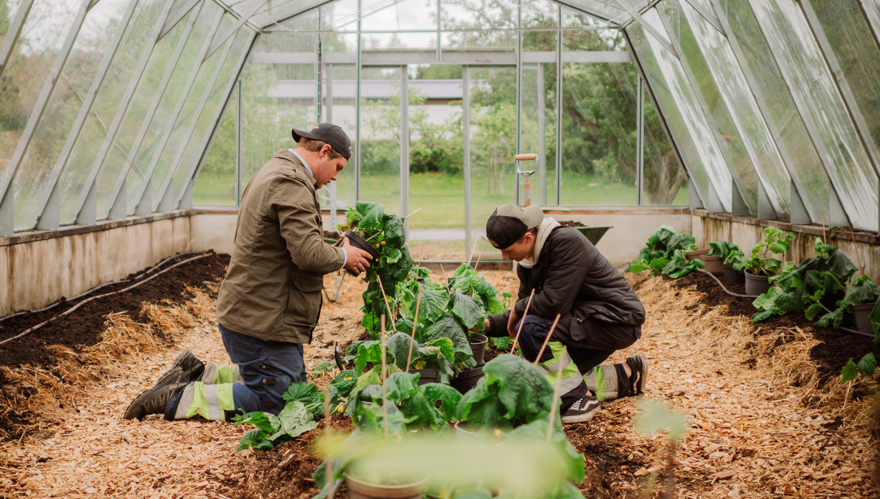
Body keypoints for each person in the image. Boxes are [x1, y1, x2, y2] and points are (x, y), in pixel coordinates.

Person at [123, 123, 374, 421]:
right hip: (261, 321)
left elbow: (291, 244)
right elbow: (307, 254)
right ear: (324, 151)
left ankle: (201, 374)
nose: (334, 177)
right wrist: (344, 255)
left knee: (297, 389)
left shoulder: (277, 170)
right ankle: (179, 396)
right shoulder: (290, 181)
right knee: (278, 404)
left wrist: (334, 249)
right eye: (338, 167)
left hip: (258, 313)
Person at [482, 204, 648, 424]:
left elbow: (553, 304)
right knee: (542, 377)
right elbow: (525, 309)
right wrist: (487, 325)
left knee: (532, 331)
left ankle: (577, 399)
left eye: (508, 250)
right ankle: (628, 375)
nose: (504, 257)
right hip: (583, 321)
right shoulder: (527, 263)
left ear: (528, 237)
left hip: (616, 320)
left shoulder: (566, 242)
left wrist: (519, 311)